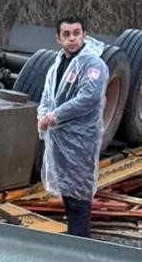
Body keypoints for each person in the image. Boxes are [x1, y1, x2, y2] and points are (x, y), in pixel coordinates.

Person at [36, 16, 108, 239]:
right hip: (59, 139)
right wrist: (43, 115)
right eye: (66, 34)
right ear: (58, 38)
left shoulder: (93, 64)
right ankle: (74, 240)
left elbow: (89, 97)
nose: (72, 39)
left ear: (85, 35)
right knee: (68, 193)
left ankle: (80, 245)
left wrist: (54, 116)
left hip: (81, 139)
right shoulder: (58, 64)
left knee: (79, 195)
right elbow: (48, 95)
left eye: (76, 33)